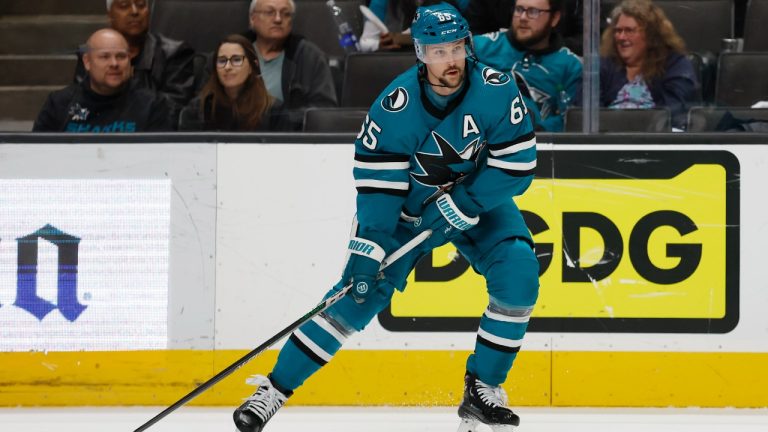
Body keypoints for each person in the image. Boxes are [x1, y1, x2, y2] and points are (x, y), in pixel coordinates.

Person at [232, 3, 539, 432]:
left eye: (456, 48)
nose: (450, 60)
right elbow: (379, 189)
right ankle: (275, 389)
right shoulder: (395, 108)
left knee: (519, 274)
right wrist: (369, 249)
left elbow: (518, 165)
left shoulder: (496, 88)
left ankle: (482, 388)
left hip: (475, 198)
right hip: (405, 215)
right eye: (438, 51)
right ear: (420, 53)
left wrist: (465, 204)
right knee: (355, 299)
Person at [33, 29, 174, 132]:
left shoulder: (152, 105)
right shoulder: (59, 103)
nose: (114, 63)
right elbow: (37, 155)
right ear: (87, 62)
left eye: (121, 56)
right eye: (104, 57)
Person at [473, 0, 582, 132]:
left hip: (539, 140)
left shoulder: (571, 66)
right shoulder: (479, 48)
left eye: (533, 12)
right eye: (519, 9)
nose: (523, 18)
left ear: (554, 18)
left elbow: (571, 119)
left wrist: (536, 131)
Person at [73, 0, 196, 117]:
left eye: (141, 5)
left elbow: (173, 110)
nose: (134, 11)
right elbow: (81, 107)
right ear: (110, 15)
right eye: (124, 5)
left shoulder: (174, 53)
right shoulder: (91, 53)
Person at [592, 0, 699, 130]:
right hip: (607, 138)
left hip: (656, 138)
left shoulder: (675, 64)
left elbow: (674, 114)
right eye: (618, 31)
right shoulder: (602, 65)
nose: (621, 37)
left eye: (629, 30)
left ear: (650, 35)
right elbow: (586, 113)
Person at [243, 0, 338, 130]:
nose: (278, 19)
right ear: (253, 18)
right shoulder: (234, 52)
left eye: (286, 14)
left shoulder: (309, 56)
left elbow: (324, 110)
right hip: (236, 134)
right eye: (270, 12)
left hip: (291, 136)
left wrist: (281, 119)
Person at [178, 35, 290, 131]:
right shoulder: (198, 109)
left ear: (253, 66)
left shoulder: (274, 110)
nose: (227, 67)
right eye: (222, 61)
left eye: (236, 60)